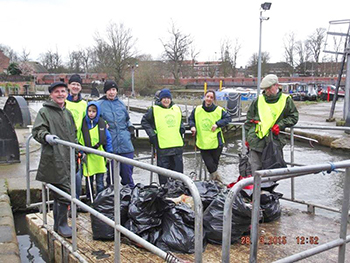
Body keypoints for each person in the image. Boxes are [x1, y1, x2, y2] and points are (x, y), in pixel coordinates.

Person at [32, 82, 76, 238]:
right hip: (54, 158)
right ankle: (62, 224)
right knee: (64, 191)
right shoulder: (45, 111)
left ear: (67, 93)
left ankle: (59, 224)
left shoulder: (67, 113)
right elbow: (37, 130)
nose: (60, 94)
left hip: (68, 157)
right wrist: (46, 136)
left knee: (63, 191)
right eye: (56, 92)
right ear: (51, 94)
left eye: (63, 91)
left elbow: (73, 134)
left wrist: (77, 150)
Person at [245, 74, 299, 174]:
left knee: (273, 171)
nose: (267, 91)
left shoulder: (286, 100)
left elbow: (294, 117)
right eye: (265, 89)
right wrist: (247, 139)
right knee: (255, 170)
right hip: (256, 140)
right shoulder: (258, 100)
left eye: (269, 88)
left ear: (276, 86)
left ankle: (268, 189)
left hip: (275, 141)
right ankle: (258, 189)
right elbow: (249, 120)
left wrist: (280, 125)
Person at [141, 88, 185, 185]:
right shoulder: (154, 110)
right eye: (164, 98)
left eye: (168, 98)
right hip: (163, 147)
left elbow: (180, 122)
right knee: (163, 175)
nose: (166, 100)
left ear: (170, 99)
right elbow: (144, 122)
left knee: (178, 174)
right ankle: (164, 192)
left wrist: (182, 128)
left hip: (177, 146)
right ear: (160, 99)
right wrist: (152, 135)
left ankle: (178, 191)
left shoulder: (176, 109)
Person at [98, 80, 135, 188]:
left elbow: (127, 119)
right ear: (105, 91)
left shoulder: (121, 104)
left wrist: (131, 127)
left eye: (113, 90)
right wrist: (102, 125)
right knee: (111, 177)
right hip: (111, 144)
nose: (111, 92)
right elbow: (94, 119)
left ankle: (130, 196)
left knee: (128, 174)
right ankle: (112, 199)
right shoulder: (99, 105)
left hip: (125, 143)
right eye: (109, 90)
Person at [189, 90, 231, 182]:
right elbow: (191, 119)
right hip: (202, 141)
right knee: (209, 164)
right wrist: (192, 126)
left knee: (214, 164)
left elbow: (228, 118)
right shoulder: (197, 109)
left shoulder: (219, 110)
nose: (209, 99)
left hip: (216, 142)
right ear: (204, 97)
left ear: (214, 99)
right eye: (207, 96)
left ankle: (213, 183)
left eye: (211, 97)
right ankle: (217, 180)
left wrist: (217, 124)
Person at [79, 101, 113, 201]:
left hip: (99, 156)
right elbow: (80, 139)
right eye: (89, 111)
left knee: (100, 181)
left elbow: (108, 139)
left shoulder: (102, 124)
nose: (91, 113)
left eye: (94, 111)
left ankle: (100, 200)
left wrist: (109, 153)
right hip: (88, 157)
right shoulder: (83, 124)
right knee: (89, 180)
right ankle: (90, 199)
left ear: (97, 112)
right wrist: (81, 151)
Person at [65, 74, 87, 201]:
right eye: (73, 84)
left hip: (78, 145)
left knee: (78, 177)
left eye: (78, 85)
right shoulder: (64, 102)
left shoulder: (84, 104)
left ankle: (76, 203)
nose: (75, 87)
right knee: (65, 177)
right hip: (64, 144)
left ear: (80, 88)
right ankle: (66, 203)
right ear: (69, 86)